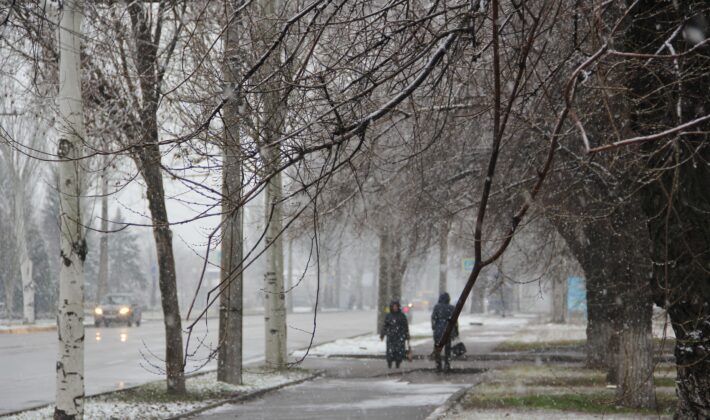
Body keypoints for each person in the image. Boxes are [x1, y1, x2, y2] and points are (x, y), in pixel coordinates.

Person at [431, 292, 458, 372]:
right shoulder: (451, 308)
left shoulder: (437, 307)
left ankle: (438, 365)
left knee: (437, 348)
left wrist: (434, 328)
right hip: (448, 330)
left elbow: (433, 319)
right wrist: (456, 331)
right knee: (447, 349)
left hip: (438, 331)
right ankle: (447, 365)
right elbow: (455, 321)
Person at [380, 300, 410, 368]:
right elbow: (385, 325)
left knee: (399, 350)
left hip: (400, 336)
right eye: (393, 306)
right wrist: (383, 334)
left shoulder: (402, 315)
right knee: (390, 351)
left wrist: (407, 335)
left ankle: (398, 363)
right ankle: (389, 362)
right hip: (391, 336)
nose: (395, 308)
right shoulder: (389, 316)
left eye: (396, 306)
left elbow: (405, 326)